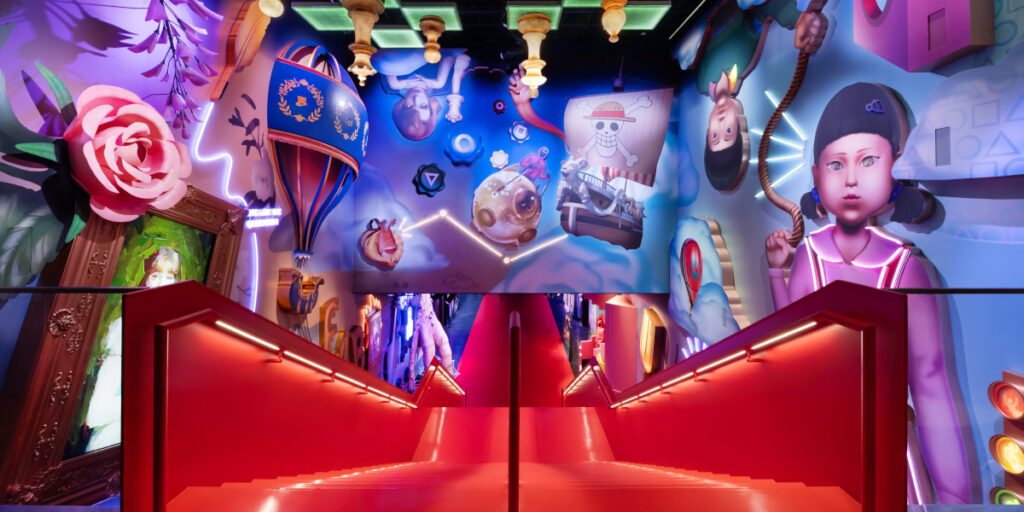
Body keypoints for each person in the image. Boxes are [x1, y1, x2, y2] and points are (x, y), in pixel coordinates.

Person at [764, 83, 971, 504]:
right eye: (836, 164)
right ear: (817, 177)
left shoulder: (904, 266)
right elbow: (789, 338)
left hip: (887, 448)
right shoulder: (810, 256)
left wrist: (956, 499)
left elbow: (931, 386)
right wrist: (775, 272)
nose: (852, 179)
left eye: (868, 160)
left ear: (896, 165)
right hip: (815, 441)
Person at [84, 247, 181, 452]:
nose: (162, 284)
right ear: (145, 279)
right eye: (155, 276)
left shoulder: (175, 332)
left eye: (169, 277)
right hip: (112, 440)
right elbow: (96, 413)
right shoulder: (123, 326)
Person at [384, 52, 471, 141]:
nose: (416, 98)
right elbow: (451, 53)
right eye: (423, 106)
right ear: (431, 106)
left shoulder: (391, 86)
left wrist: (394, 82)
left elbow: (386, 55)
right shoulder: (442, 87)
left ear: (401, 106)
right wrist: (440, 81)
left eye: (409, 106)